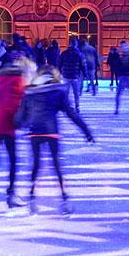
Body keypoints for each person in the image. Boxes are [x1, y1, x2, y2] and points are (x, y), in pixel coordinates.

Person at [14, 66, 94, 213]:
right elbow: (71, 114)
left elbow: (20, 117)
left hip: (35, 131)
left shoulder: (29, 92)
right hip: (51, 131)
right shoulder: (58, 92)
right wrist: (86, 131)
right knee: (56, 164)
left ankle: (32, 197)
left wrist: (15, 126)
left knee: (36, 164)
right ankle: (64, 199)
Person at [0, 57, 30, 206]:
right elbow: (13, 105)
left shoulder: (1, 82)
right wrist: (21, 122)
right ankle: (11, 194)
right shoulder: (18, 82)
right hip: (5, 125)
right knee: (13, 160)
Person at [58, 39, 87, 111]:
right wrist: (85, 74)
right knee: (76, 93)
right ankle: (77, 106)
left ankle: (66, 106)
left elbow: (59, 64)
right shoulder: (80, 54)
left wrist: (59, 72)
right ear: (76, 45)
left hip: (66, 76)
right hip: (75, 76)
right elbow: (83, 65)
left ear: (70, 44)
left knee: (66, 93)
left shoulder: (64, 53)